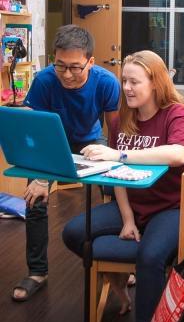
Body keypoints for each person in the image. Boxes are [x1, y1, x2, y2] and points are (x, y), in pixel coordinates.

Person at [62, 50, 184, 322]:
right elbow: (114, 172)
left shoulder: (177, 114)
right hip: (133, 206)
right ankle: (119, 287)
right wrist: (126, 219)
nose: (126, 88)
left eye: (134, 82)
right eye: (124, 81)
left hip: (171, 208)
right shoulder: (121, 119)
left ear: (155, 83)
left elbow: (178, 153)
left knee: (150, 258)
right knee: (74, 233)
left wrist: (122, 154)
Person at [11, 24, 120, 302]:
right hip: (51, 144)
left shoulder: (106, 82)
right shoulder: (46, 80)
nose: (67, 74)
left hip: (91, 142)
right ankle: (37, 271)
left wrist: (116, 161)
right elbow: (34, 131)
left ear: (90, 62)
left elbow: (115, 132)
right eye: (60, 66)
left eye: (75, 67)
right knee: (34, 200)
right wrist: (40, 177)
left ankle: (119, 266)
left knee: (117, 195)